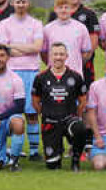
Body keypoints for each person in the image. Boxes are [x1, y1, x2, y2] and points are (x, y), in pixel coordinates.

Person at [0, 0, 44, 161]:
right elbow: (3, 49)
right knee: (11, 114)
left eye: (24, 2)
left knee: (32, 113)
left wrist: (13, 46)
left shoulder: (36, 23)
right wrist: (26, 48)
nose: (21, 5)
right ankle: (10, 148)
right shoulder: (5, 24)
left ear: (28, 3)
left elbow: (37, 47)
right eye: (18, 2)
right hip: (11, 74)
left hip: (31, 72)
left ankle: (33, 151)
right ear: (12, 3)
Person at [32, 42, 90, 171]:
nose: (58, 57)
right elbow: (35, 102)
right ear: (50, 56)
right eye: (55, 54)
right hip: (50, 123)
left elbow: (83, 101)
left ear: (67, 56)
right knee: (53, 167)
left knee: (80, 127)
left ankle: (75, 160)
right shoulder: (40, 78)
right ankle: (57, 150)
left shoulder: (75, 76)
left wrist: (77, 116)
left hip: (69, 119)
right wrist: (46, 113)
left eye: (61, 54)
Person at [47, 0, 100, 85]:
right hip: (57, 65)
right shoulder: (54, 15)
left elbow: (93, 43)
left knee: (83, 95)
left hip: (83, 65)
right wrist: (58, 62)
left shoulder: (89, 14)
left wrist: (78, 61)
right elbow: (46, 47)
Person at [42, 0, 93, 76]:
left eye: (66, 7)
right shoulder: (47, 29)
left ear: (71, 9)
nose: (63, 10)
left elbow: (87, 52)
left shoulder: (81, 28)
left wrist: (77, 63)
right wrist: (55, 64)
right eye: (60, 7)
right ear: (55, 9)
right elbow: (44, 53)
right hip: (53, 75)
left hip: (75, 74)